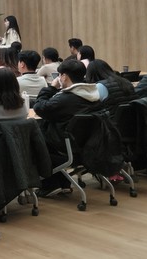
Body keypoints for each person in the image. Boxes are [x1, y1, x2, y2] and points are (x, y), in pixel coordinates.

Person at [33, 59, 101, 196]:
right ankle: (63, 183)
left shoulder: (66, 99)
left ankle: (51, 184)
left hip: (67, 145)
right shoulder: (93, 94)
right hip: (90, 144)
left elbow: (39, 107)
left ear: (64, 77)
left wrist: (51, 88)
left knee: (34, 137)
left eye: (59, 75)